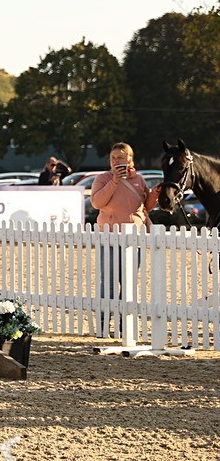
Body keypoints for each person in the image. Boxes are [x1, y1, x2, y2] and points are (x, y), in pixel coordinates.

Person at [90, 142, 161, 338]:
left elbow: (144, 206)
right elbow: (96, 202)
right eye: (113, 158)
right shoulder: (103, 178)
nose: (116, 161)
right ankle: (103, 324)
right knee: (109, 282)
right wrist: (114, 181)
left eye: (120, 157)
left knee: (128, 282)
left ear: (130, 159)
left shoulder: (139, 179)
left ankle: (124, 323)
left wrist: (154, 196)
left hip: (134, 238)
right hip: (110, 237)